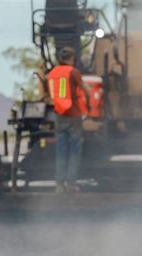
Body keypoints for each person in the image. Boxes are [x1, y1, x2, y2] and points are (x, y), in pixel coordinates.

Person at [47, 47, 90, 193]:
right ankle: (71, 183)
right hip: (73, 116)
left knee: (60, 150)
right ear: (72, 58)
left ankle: (59, 184)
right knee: (75, 150)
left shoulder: (52, 73)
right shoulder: (73, 72)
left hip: (59, 115)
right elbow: (86, 90)